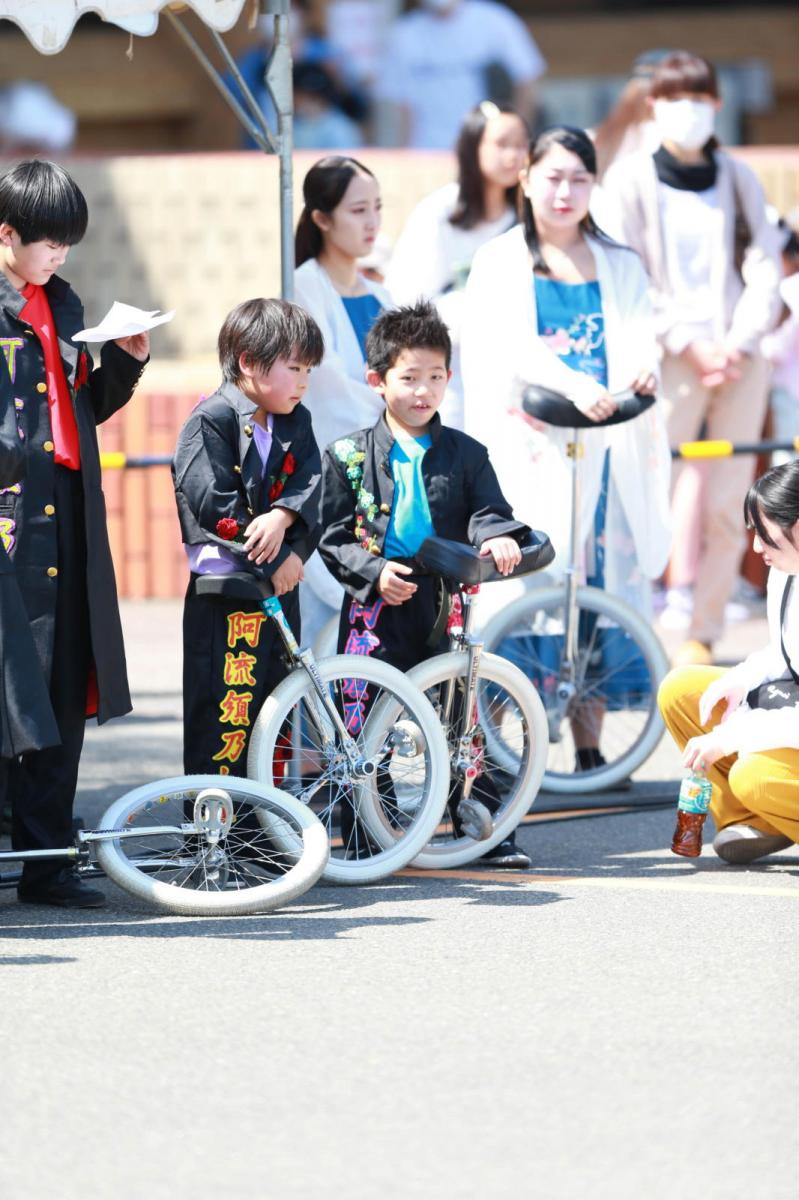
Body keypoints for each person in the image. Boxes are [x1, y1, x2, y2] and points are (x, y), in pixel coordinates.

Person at [460, 126, 672, 772]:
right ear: (524, 179)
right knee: (524, 586)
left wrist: (639, 371)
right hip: (531, 445)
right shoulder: (499, 260)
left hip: (607, 444)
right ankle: (492, 746)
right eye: (552, 177)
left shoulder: (618, 260)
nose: (565, 191)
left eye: (579, 179)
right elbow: (508, 345)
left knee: (601, 580)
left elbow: (641, 331)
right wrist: (577, 384)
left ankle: (588, 744)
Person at [318, 299, 533, 868]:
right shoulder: (347, 456)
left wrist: (497, 537)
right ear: (376, 380)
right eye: (409, 378)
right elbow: (332, 534)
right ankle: (366, 830)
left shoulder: (466, 453)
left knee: (460, 718)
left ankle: (483, 826)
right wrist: (373, 572)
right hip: (376, 606)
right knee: (363, 720)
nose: (423, 391)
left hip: (443, 601)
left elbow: (488, 510)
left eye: (435, 377)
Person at [0, 159, 149, 908]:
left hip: (66, 500)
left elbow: (79, 408)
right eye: (49, 242)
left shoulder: (61, 301)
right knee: (9, 685)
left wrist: (122, 366)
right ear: (6, 234)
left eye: (68, 243)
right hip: (10, 510)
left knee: (60, 685)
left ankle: (48, 860)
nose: (60, 256)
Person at [601, 51, 782, 667]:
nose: (689, 112)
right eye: (675, 99)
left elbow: (764, 262)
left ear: (718, 106)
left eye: (699, 99)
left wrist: (738, 342)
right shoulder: (628, 180)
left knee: (736, 498)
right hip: (668, 359)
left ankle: (703, 634)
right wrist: (689, 342)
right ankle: (632, 630)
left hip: (739, 356)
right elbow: (627, 275)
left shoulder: (737, 174)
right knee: (645, 489)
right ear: (653, 105)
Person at [172, 298, 323, 777]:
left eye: (309, 370)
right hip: (226, 595)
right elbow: (214, 508)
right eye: (295, 367)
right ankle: (215, 839)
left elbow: (313, 488)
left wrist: (286, 529)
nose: (304, 381)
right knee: (223, 713)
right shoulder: (209, 420)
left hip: (280, 588)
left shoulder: (295, 420)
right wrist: (275, 559)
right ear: (249, 364)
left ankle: (268, 837)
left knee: (276, 710)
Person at [658, 461, 799, 864]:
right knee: (682, 689)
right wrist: (741, 678)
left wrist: (731, 738)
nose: (756, 549)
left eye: (767, 536)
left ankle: (771, 807)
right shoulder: (787, 567)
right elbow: (786, 649)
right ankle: (758, 822)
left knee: (755, 775)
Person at [293, 155, 391, 648]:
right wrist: (397, 413)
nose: (372, 222)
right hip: (331, 477)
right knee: (319, 627)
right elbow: (326, 384)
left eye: (376, 207)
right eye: (358, 210)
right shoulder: (305, 286)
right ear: (322, 218)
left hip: (381, 478)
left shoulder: (382, 294)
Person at [386, 101, 528, 429]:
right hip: (452, 369)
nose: (514, 155)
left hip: (517, 369)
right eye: (502, 144)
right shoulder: (439, 212)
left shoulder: (530, 216)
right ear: (472, 145)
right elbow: (406, 298)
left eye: (522, 145)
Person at [375, 0, 546, 150]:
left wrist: (515, 139)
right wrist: (406, 153)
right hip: (427, 151)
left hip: (484, 149)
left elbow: (527, 80)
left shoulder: (494, 20)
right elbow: (403, 105)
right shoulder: (404, 34)